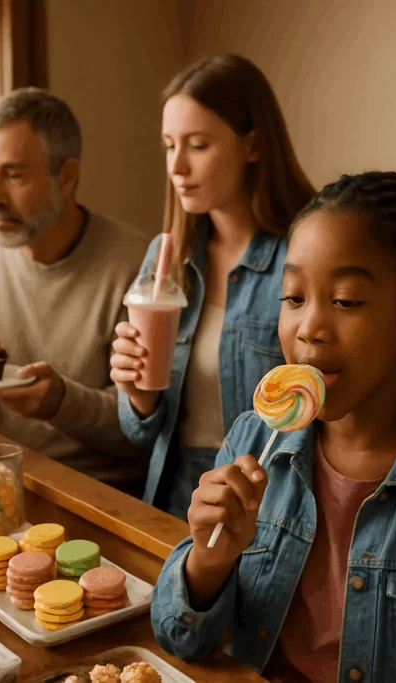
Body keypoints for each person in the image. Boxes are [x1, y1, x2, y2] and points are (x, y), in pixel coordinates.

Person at [149, 171, 396, 682]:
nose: (310, 328)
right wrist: (207, 565)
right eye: (294, 297)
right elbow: (180, 637)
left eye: (345, 301)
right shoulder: (252, 441)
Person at [110, 54, 315, 518]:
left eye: (198, 145)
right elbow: (141, 433)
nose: (177, 166)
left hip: (266, 501)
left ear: (252, 146)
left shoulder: (300, 259)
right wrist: (137, 395)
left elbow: (328, 413)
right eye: (169, 146)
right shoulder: (168, 257)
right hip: (174, 495)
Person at [0, 87, 150, 495]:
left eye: (14, 176)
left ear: (67, 178)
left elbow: (143, 432)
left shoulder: (135, 266)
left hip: (88, 495)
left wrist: (60, 402)